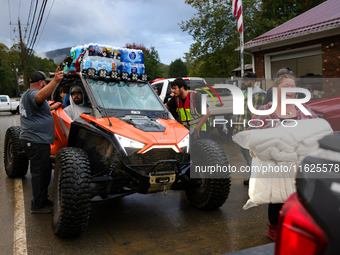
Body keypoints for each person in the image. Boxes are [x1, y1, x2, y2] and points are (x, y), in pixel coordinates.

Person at [247, 74, 318, 242]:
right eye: (285, 87)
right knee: (278, 198)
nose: (290, 91)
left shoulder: (304, 110)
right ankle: (274, 228)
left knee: (301, 196)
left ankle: (298, 226)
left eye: (292, 87)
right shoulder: (264, 111)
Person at [19, 68, 64, 213]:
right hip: (36, 141)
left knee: (44, 172)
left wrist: (52, 108)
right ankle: (37, 205)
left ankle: (43, 199)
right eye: (46, 83)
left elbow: (36, 112)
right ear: (41, 82)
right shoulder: (33, 94)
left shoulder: (26, 95)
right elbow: (39, 98)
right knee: (39, 173)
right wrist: (56, 81)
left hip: (35, 140)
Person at [232, 72, 266, 185]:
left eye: (246, 80)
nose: (243, 82)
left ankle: (255, 182)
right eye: (243, 80)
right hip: (242, 131)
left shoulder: (259, 95)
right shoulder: (246, 94)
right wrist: (236, 127)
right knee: (247, 157)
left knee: (252, 157)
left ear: (252, 81)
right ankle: (252, 177)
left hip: (250, 132)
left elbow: (256, 116)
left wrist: (252, 132)